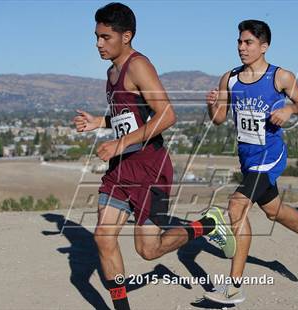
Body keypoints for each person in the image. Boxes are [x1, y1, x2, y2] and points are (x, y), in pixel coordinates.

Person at [74, 3, 236, 310]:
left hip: (151, 169)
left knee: (148, 250)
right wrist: (100, 122)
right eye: (96, 36)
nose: (98, 43)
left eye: (105, 37)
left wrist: (120, 144)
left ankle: (207, 224)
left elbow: (167, 115)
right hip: (121, 170)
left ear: (126, 36)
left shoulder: (139, 66)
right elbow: (130, 116)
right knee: (103, 238)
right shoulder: (112, 73)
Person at [203, 20, 298, 304]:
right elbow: (219, 119)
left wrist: (289, 109)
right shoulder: (230, 78)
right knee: (274, 211)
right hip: (247, 159)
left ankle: (234, 287)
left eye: (248, 42)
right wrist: (211, 102)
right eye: (239, 42)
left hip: (270, 157)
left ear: (264, 46)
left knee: (237, 206)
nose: (241, 48)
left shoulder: (279, 77)